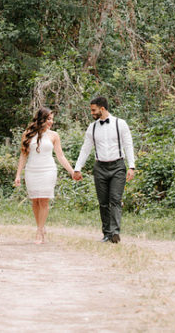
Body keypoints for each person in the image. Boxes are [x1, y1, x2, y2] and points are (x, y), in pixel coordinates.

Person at [73, 96, 135, 244]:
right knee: (103, 202)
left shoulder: (120, 124)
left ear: (102, 109)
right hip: (100, 167)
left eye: (93, 110)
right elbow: (86, 148)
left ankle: (115, 232)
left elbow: (128, 144)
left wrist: (131, 166)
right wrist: (77, 168)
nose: (92, 113)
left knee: (115, 199)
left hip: (118, 166)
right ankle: (107, 233)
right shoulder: (92, 127)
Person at [14, 107, 75, 244]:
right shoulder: (28, 134)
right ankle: (40, 227)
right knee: (35, 201)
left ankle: (39, 231)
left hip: (48, 170)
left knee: (44, 201)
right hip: (32, 171)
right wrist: (18, 175)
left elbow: (60, 156)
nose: (51, 122)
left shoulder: (54, 135)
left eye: (52, 119)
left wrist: (72, 171)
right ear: (41, 119)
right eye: (49, 119)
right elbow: (23, 156)